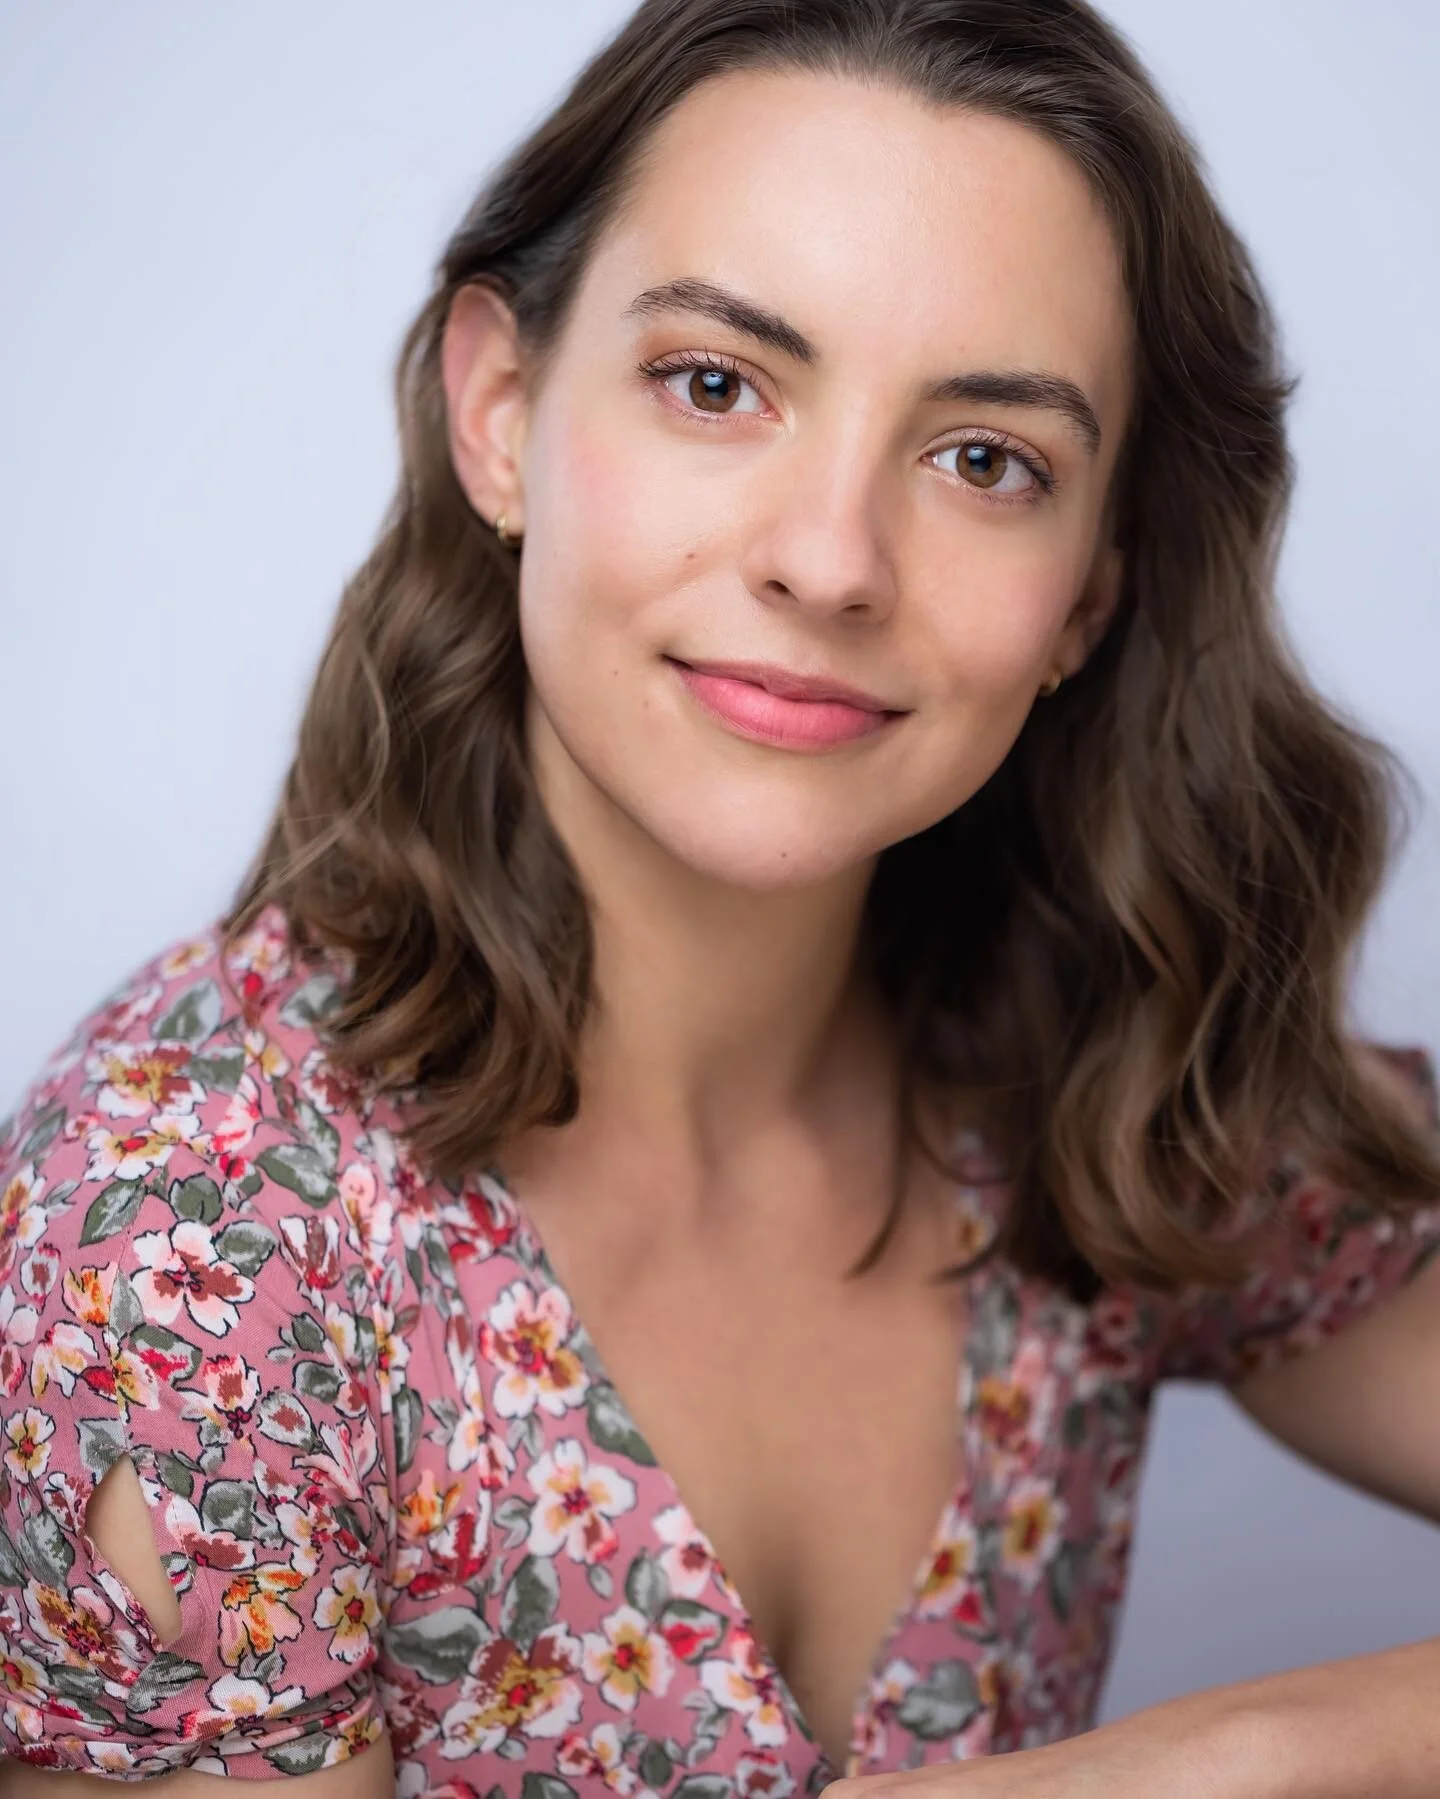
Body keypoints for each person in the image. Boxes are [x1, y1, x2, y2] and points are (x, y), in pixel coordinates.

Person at [2, 0, 1439, 1793]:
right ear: (503, 413)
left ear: (1088, 596)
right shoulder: (196, 1240)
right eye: (717, 384)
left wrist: (1285, 1740)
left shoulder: (1099, 1066)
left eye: (987, 458)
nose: (831, 559)